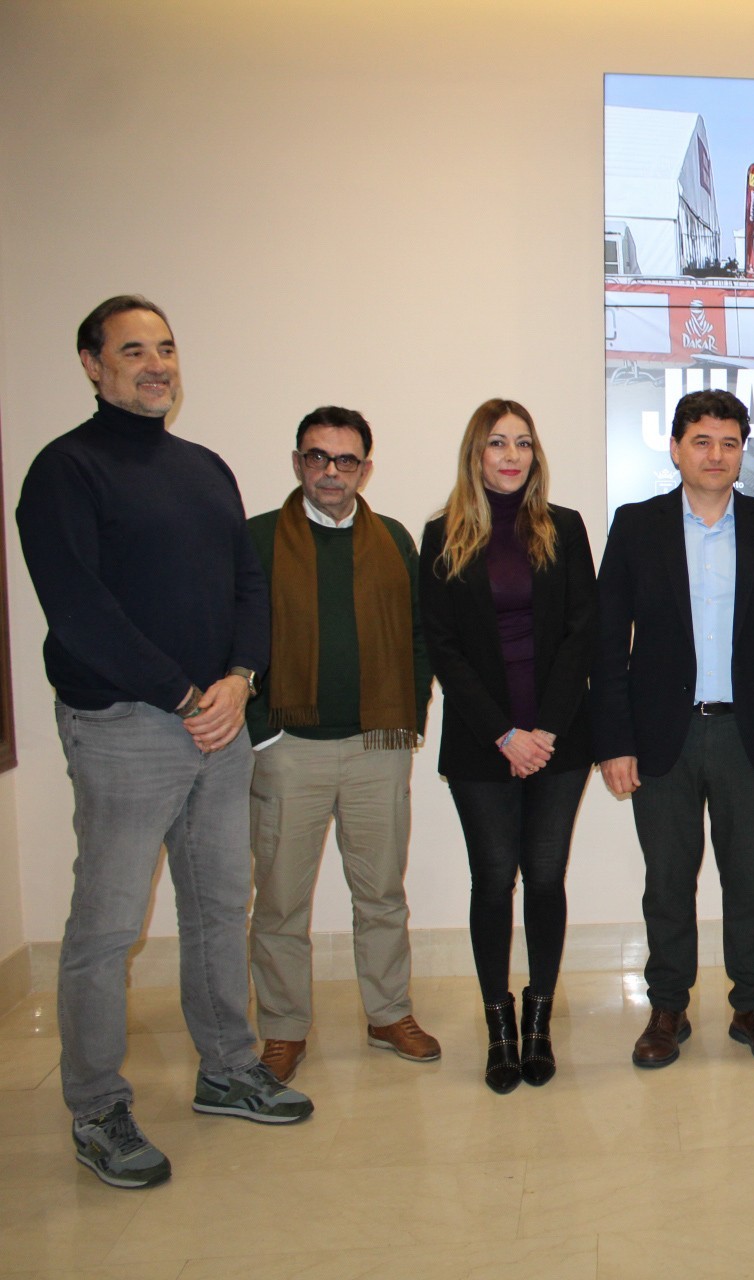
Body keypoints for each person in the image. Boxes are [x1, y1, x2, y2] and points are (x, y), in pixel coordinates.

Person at [16, 295, 311, 1190]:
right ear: (92, 364)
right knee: (107, 929)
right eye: (135, 350)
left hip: (220, 722)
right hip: (125, 727)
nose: (157, 365)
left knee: (220, 907)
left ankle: (227, 1069)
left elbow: (248, 585)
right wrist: (185, 694)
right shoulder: (65, 471)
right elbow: (80, 610)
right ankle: (97, 1107)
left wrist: (239, 679)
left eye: (167, 349)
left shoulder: (205, 468)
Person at [595, 389, 754, 1069]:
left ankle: (753, 1005)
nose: (715, 455)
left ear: (742, 452)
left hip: (748, 734)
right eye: (701, 441)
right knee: (668, 881)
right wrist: (614, 741)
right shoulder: (636, 526)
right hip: (661, 736)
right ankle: (667, 1007)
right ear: (675, 449)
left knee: (748, 878)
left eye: (729, 443)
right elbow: (607, 644)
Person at [246, 406, 439, 1083]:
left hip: (376, 747)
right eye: (317, 457)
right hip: (288, 749)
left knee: (381, 892)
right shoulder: (259, 538)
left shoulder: (393, 540)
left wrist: (408, 718)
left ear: (365, 467)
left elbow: (419, 635)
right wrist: (262, 731)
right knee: (280, 901)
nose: (331, 471)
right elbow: (235, 637)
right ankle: (282, 1029)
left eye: (345, 459)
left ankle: (389, 1013)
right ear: (298, 463)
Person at [420, 399, 596, 1094]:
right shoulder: (441, 535)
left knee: (546, 879)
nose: (512, 455)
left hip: (558, 740)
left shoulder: (565, 527)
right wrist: (503, 733)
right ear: (476, 453)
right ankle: (499, 1026)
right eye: (498, 443)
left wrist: (544, 730)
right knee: (494, 881)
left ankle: (539, 1021)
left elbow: (583, 632)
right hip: (481, 742)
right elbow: (444, 647)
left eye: (523, 443)